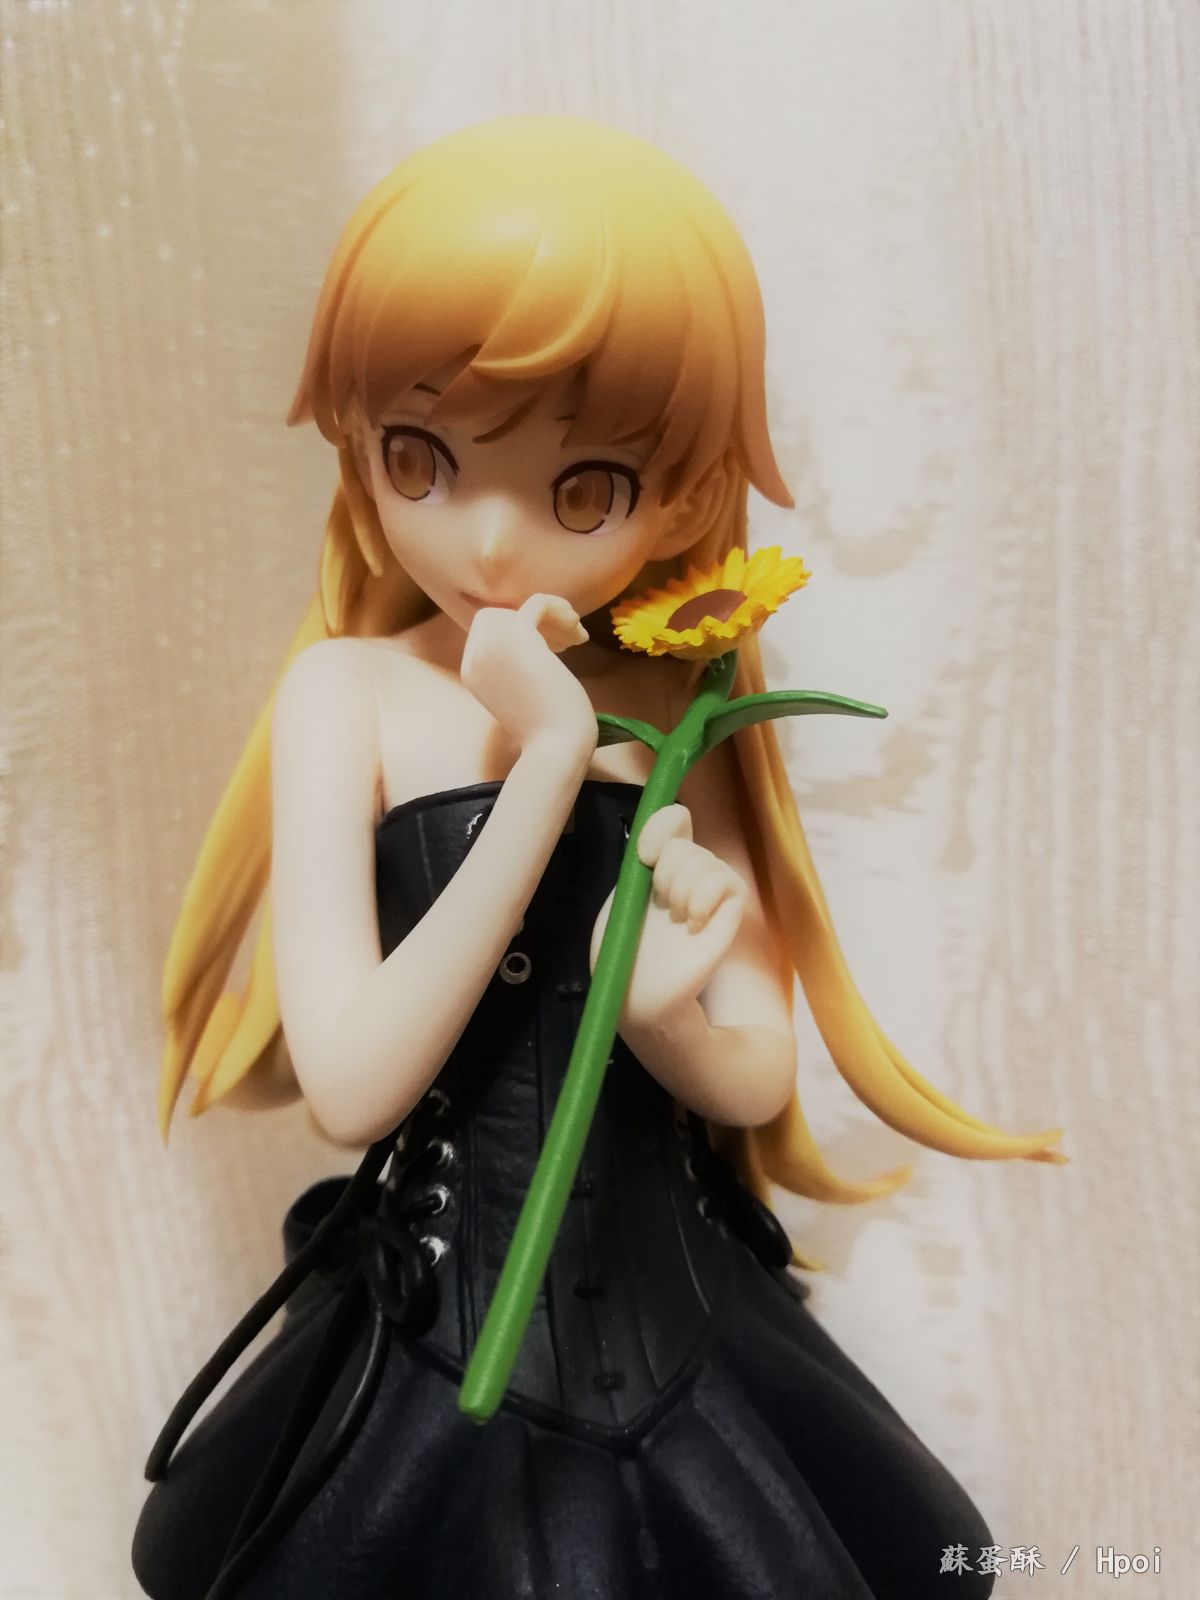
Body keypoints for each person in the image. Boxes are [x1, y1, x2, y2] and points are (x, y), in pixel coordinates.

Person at [133, 117, 1062, 1600]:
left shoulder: (686, 704)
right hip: (430, 1357)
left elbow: (755, 1076)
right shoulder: (345, 697)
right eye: (422, 459)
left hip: (687, 1332)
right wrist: (549, 758)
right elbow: (354, 1088)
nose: (493, 545)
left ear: (679, 493)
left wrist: (662, 1016)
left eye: (582, 489)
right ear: (357, 441)